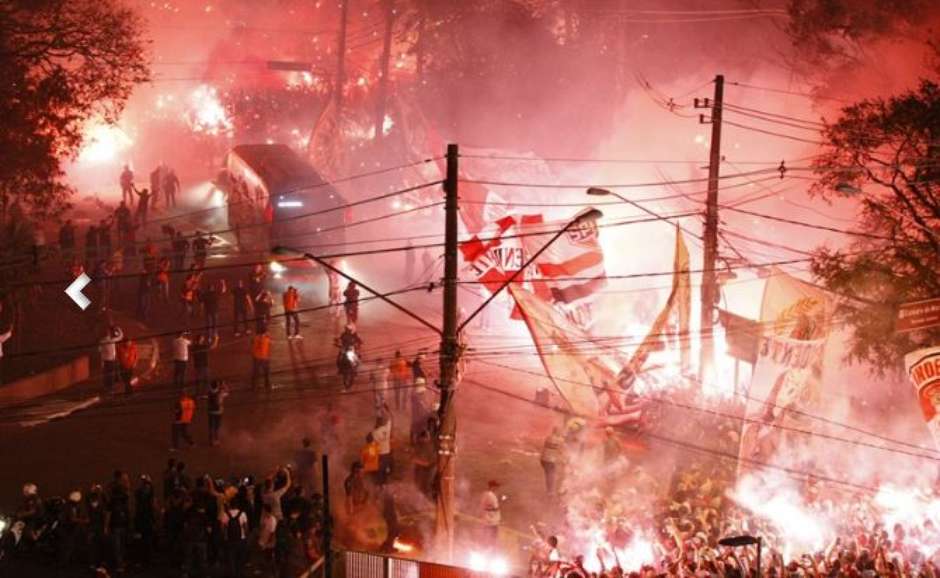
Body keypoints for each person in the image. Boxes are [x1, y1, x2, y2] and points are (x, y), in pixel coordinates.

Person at [105, 470, 131, 574]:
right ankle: (120, 564)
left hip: (118, 523)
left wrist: (106, 526)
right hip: (121, 523)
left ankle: (120, 564)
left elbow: (108, 511)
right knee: (119, 545)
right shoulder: (122, 497)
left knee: (118, 546)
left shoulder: (114, 497)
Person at [221, 500, 249, 578]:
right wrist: (246, 536)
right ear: (237, 505)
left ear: (230, 505)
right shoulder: (242, 514)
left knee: (231, 559)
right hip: (241, 539)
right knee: (240, 558)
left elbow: (222, 528)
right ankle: (239, 574)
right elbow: (246, 528)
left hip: (229, 540)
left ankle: (233, 574)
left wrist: (224, 537)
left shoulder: (225, 514)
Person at [134, 474, 157, 564]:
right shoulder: (142, 493)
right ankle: (144, 559)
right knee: (142, 541)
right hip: (143, 520)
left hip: (146, 520)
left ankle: (146, 559)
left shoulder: (147, 494)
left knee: (147, 540)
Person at [540, 426, 565, 496]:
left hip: (543, 459)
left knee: (548, 475)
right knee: (551, 475)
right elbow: (561, 451)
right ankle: (550, 492)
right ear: (558, 432)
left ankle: (549, 490)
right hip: (550, 460)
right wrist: (564, 460)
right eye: (561, 432)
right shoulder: (560, 440)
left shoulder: (548, 437)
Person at [99, 325, 124, 394]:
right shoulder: (111, 340)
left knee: (107, 374)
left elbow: (100, 351)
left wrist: (102, 361)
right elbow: (121, 336)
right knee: (110, 375)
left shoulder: (103, 341)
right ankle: (110, 388)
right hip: (110, 360)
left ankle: (108, 387)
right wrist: (118, 329)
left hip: (108, 360)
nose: (109, 333)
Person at [373, 415, 393, 485]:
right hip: (387, 453)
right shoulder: (387, 428)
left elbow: (373, 444)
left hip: (380, 454)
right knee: (386, 468)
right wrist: (388, 410)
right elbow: (390, 419)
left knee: (379, 469)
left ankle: (379, 484)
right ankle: (385, 483)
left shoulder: (375, 433)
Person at [480, 480, 502, 545]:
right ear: (492, 487)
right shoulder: (490, 495)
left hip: (489, 520)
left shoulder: (486, 494)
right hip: (491, 521)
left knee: (489, 539)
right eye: (496, 486)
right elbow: (495, 507)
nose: (497, 488)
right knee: (492, 540)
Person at [207, 379, 228, 446]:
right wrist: (224, 385)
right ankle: (216, 440)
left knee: (211, 426)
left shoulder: (209, 392)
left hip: (210, 411)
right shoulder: (220, 393)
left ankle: (211, 440)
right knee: (217, 426)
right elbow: (227, 393)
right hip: (219, 412)